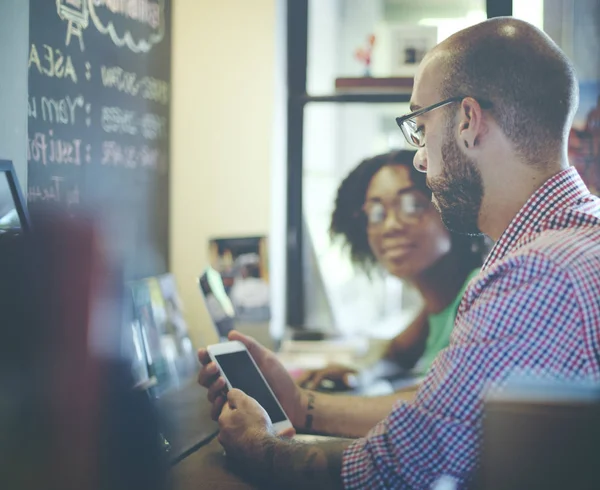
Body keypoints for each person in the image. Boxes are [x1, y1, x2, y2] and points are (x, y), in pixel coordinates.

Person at [197, 18, 600, 489]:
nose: (420, 157)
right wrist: (301, 403)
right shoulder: (573, 238)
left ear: (468, 121)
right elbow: (443, 417)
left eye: (420, 125)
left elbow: (393, 471)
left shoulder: (537, 275)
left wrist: (259, 447)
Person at [297, 150, 486, 391]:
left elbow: (441, 400)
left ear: (452, 208)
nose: (390, 226)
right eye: (376, 213)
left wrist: (305, 405)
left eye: (413, 205)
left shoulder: (478, 293)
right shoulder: (436, 305)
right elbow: (395, 354)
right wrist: (358, 373)